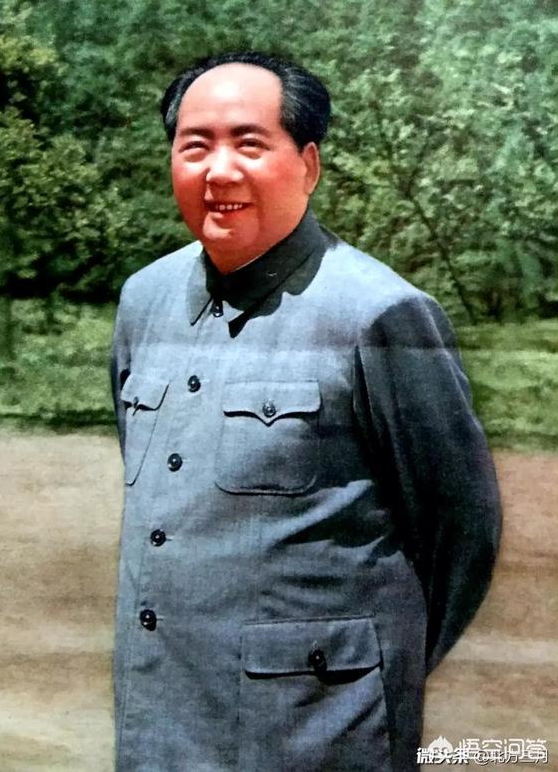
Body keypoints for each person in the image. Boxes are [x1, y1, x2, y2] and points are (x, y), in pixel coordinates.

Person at [110, 51, 501, 772]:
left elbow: (460, 528)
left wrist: (366, 676)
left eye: (249, 143)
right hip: (158, 720)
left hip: (315, 734)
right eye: (195, 146)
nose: (219, 171)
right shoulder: (145, 299)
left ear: (308, 164)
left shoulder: (378, 312)